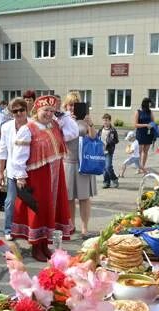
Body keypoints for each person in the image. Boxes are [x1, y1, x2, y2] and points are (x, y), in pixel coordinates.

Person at [10, 95, 76, 261]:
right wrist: (20, 176)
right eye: (45, 110)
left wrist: (63, 114)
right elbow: (19, 155)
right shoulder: (28, 128)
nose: (49, 113)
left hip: (55, 173)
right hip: (38, 176)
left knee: (51, 210)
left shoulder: (54, 124)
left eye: (52, 111)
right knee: (39, 210)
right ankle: (36, 247)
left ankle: (45, 245)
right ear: (37, 110)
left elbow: (73, 132)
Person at [62, 92, 97, 237]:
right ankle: (72, 225)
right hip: (68, 162)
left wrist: (90, 123)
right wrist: (68, 120)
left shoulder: (84, 119)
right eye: (70, 104)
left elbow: (94, 137)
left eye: (75, 104)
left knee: (84, 198)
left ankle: (84, 228)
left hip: (84, 163)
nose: (72, 107)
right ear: (66, 105)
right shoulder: (63, 120)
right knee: (69, 198)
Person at [0, 97, 28, 241]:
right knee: (10, 201)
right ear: (11, 113)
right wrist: (0, 172)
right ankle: (9, 229)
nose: (19, 113)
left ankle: (28, 230)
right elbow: (3, 151)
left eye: (22, 110)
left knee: (29, 202)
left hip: (30, 170)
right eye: (15, 111)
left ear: (26, 110)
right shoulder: (6, 127)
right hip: (12, 170)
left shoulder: (33, 125)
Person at [97, 113, 119, 188]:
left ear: (110, 121)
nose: (105, 122)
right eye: (104, 120)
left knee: (108, 166)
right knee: (104, 167)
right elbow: (97, 138)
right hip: (101, 151)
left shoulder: (112, 130)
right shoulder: (100, 129)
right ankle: (106, 182)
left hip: (109, 151)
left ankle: (114, 179)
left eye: (106, 120)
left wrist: (110, 142)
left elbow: (116, 140)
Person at [134, 97, 155, 174]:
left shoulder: (150, 112)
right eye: (149, 104)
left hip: (148, 133)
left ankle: (143, 166)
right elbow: (135, 125)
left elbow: (153, 122)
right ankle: (138, 168)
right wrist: (146, 125)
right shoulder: (138, 112)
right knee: (138, 151)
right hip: (140, 133)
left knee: (145, 151)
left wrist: (152, 125)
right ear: (145, 104)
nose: (150, 105)